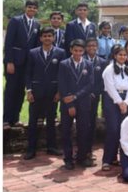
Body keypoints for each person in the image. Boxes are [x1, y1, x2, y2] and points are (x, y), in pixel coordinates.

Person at [23, 25, 62, 159]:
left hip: (52, 93)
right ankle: (31, 149)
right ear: (40, 38)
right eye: (44, 36)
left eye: (50, 36)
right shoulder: (33, 53)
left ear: (54, 37)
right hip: (36, 92)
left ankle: (51, 147)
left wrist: (59, 92)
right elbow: (28, 73)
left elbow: (62, 75)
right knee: (33, 121)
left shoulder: (60, 53)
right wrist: (29, 90)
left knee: (51, 121)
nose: (47, 38)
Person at [57, 40, 96, 169]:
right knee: (66, 131)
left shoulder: (88, 64)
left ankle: (81, 157)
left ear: (84, 51)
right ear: (71, 50)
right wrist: (70, 104)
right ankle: (68, 158)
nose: (78, 53)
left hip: (84, 103)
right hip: (67, 104)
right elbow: (62, 85)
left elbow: (90, 85)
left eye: (80, 51)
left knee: (83, 131)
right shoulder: (64, 64)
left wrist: (76, 96)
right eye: (75, 51)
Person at [4, 0, 40, 127]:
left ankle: (15, 118)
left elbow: (36, 46)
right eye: (29, 7)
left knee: (20, 91)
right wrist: (9, 61)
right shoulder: (16, 20)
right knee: (11, 90)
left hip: (27, 64)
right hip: (14, 62)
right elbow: (8, 42)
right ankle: (6, 119)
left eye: (34, 8)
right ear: (25, 8)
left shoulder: (37, 24)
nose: (32, 9)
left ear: (37, 10)